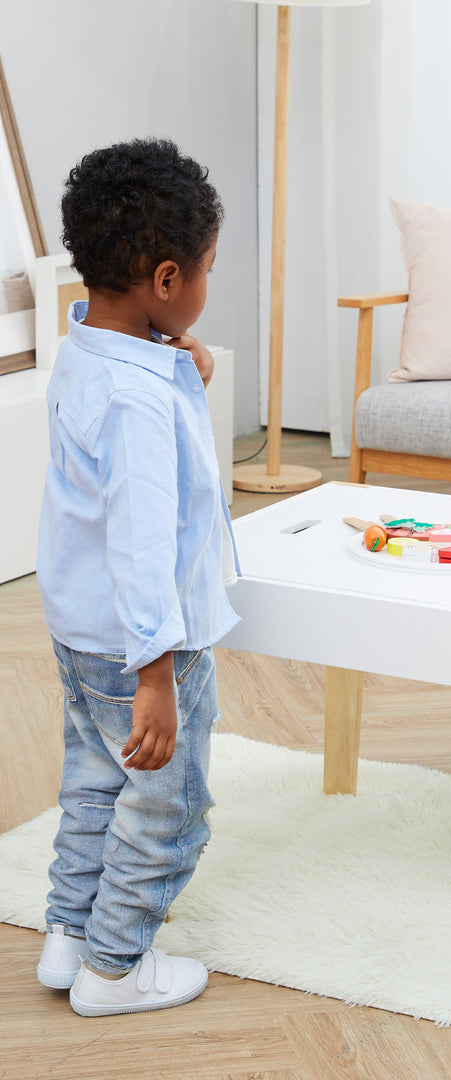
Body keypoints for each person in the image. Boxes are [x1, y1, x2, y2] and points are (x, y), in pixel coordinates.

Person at [35, 138, 238, 1016]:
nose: (202, 288)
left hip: (81, 631)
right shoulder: (140, 397)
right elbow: (145, 539)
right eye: (203, 270)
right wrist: (156, 674)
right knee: (167, 807)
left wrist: (178, 361)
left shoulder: (87, 346)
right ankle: (114, 969)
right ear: (164, 278)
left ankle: (68, 935)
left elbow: (126, 426)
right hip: (147, 646)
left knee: (95, 781)